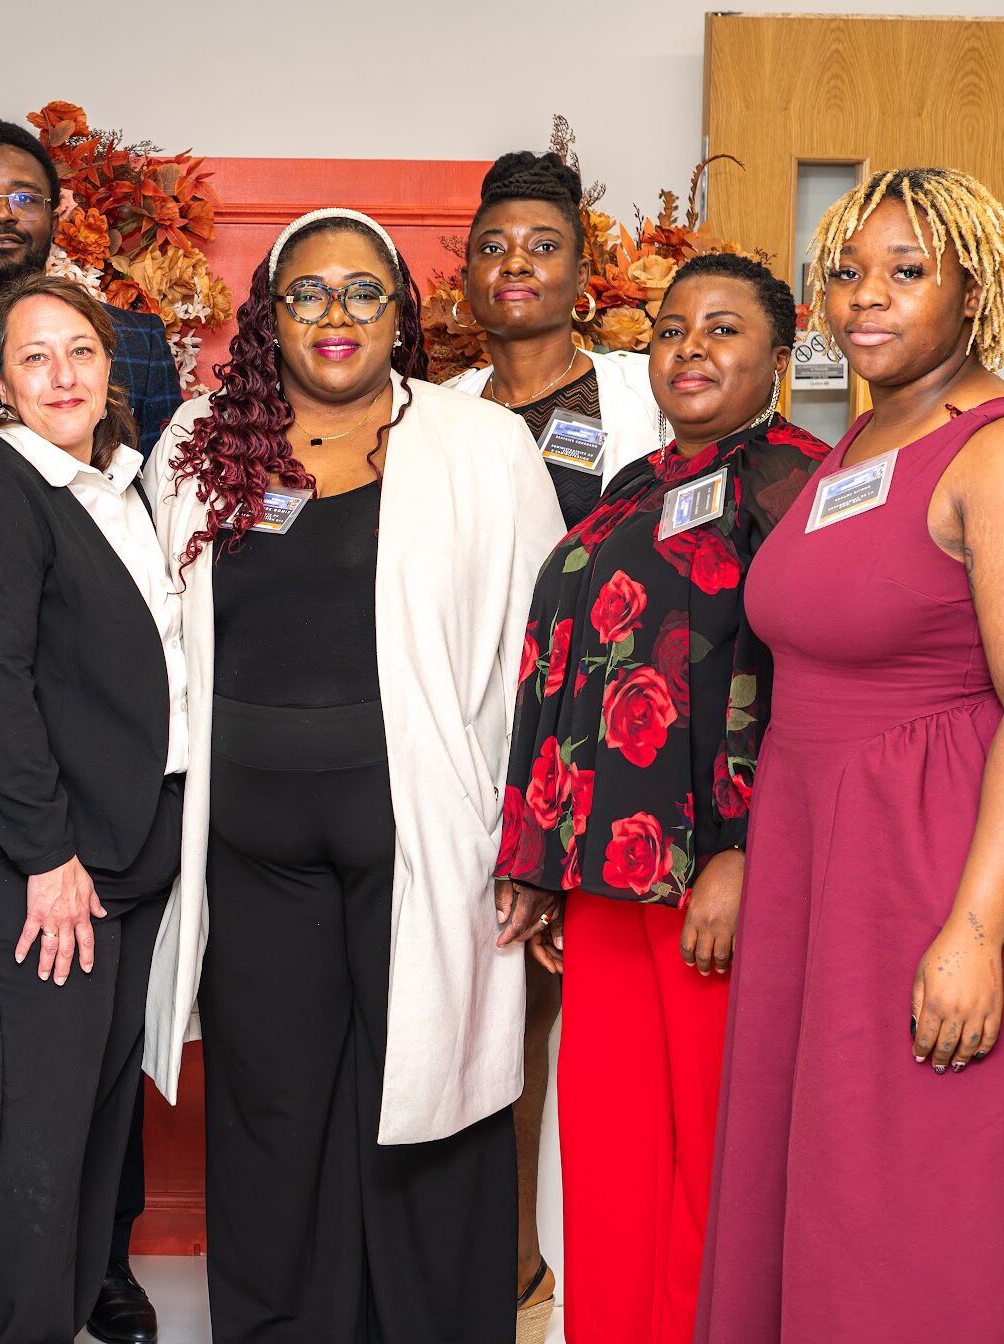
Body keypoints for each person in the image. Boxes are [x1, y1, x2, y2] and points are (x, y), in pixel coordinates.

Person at [143, 208, 565, 1342]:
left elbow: (543, 657)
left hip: (426, 834)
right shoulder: (199, 441)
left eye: (363, 292)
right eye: (309, 294)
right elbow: (162, 649)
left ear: (402, 312)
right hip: (251, 847)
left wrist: (529, 840)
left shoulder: (480, 446)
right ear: (268, 316)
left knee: (430, 1092)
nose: (337, 318)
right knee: (272, 1104)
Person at [497, 254, 828, 1344]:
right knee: (610, 1144)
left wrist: (745, 851)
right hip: (606, 877)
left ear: (781, 356)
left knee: (708, 1153)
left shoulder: (798, 484)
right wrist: (539, 856)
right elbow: (562, 671)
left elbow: (804, 689)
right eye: (672, 328)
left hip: (715, 880)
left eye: (723, 329)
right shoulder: (634, 483)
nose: (690, 349)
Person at [698, 167, 1004, 1344]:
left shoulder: (986, 451)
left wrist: (977, 933)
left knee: (908, 1193)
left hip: (922, 869)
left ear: (972, 290)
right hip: (814, 864)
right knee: (815, 1175)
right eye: (848, 271)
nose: (865, 298)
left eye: (908, 273)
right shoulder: (858, 440)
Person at [0, 117, 180, 1344]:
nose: (65, 374)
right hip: (51, 864)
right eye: (37, 358)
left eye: (82, 351)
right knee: (35, 1129)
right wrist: (46, 856)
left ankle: (65, 1313)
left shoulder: (120, 486)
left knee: (91, 1122)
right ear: (2, 382)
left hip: (130, 851)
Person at [446, 150, 664, 1337]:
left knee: (596, 1016)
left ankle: (597, 1267)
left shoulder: (640, 394)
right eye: (492, 247)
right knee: (490, 1006)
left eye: (540, 245)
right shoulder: (439, 413)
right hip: (479, 741)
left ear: (584, 270)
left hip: (612, 743)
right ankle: (513, 1261)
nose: (514, 264)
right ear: (465, 274)